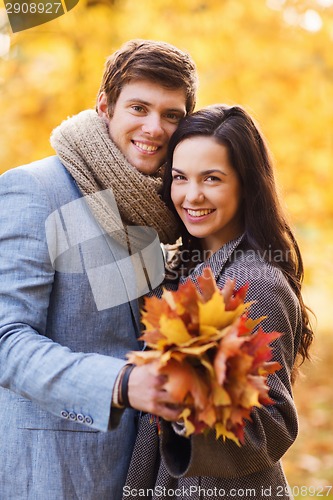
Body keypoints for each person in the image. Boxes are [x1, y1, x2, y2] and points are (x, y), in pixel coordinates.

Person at [0, 39, 198, 499]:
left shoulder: (156, 209)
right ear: (105, 107)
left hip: (138, 473)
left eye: (172, 115)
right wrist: (122, 383)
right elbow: (6, 340)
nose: (156, 128)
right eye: (139, 108)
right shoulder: (34, 190)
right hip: (52, 475)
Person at [123, 104, 314, 500]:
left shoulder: (253, 282)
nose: (191, 195)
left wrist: (181, 404)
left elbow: (274, 422)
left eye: (212, 179)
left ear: (246, 184)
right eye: (180, 178)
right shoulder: (179, 268)